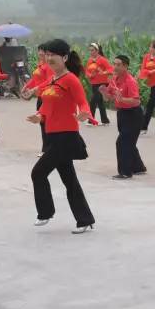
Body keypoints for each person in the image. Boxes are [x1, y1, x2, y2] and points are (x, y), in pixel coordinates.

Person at [26, 39, 96, 234]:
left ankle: (46, 212)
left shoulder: (70, 79)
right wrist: (39, 116)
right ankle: (85, 220)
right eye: (46, 54)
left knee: (38, 173)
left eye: (53, 55)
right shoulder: (52, 80)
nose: (49, 58)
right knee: (69, 180)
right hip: (52, 136)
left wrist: (84, 114)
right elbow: (47, 106)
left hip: (66, 137)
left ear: (64, 57)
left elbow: (83, 103)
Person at [101, 54, 146, 179]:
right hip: (122, 113)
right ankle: (138, 167)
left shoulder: (130, 81)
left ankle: (125, 172)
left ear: (125, 66)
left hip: (133, 114)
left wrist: (123, 99)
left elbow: (136, 101)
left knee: (122, 142)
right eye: (114, 64)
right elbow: (109, 98)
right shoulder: (114, 80)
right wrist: (104, 92)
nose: (115, 67)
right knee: (128, 141)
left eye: (118, 65)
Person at [22, 44, 54, 156]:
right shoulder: (40, 65)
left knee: (45, 123)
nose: (40, 53)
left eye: (43, 51)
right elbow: (35, 78)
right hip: (40, 97)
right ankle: (47, 148)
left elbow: (49, 81)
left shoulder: (49, 66)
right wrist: (27, 86)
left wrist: (36, 88)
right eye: (39, 50)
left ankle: (47, 149)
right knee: (42, 123)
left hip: (47, 97)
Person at [85, 43, 113, 126]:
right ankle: (105, 120)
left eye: (92, 50)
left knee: (93, 101)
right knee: (100, 102)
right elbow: (87, 71)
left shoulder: (102, 60)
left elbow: (111, 69)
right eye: (90, 50)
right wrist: (90, 75)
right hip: (94, 83)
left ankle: (91, 120)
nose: (91, 52)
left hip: (102, 84)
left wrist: (103, 72)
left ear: (97, 51)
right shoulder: (90, 60)